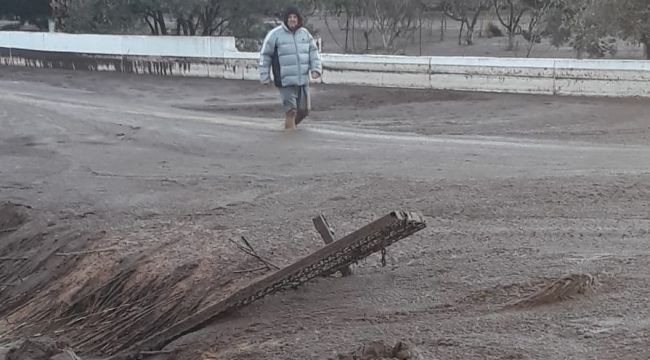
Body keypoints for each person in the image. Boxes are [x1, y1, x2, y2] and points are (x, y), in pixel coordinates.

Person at [259, 5, 322, 130]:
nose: (292, 19)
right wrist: (264, 76)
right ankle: (290, 140)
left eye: (295, 17)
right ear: (286, 19)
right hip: (285, 81)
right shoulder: (275, 35)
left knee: (304, 111)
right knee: (291, 111)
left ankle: (288, 128)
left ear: (298, 19)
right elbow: (265, 55)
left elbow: (313, 52)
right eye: (290, 17)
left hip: (302, 80)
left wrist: (316, 69)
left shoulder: (305, 34)